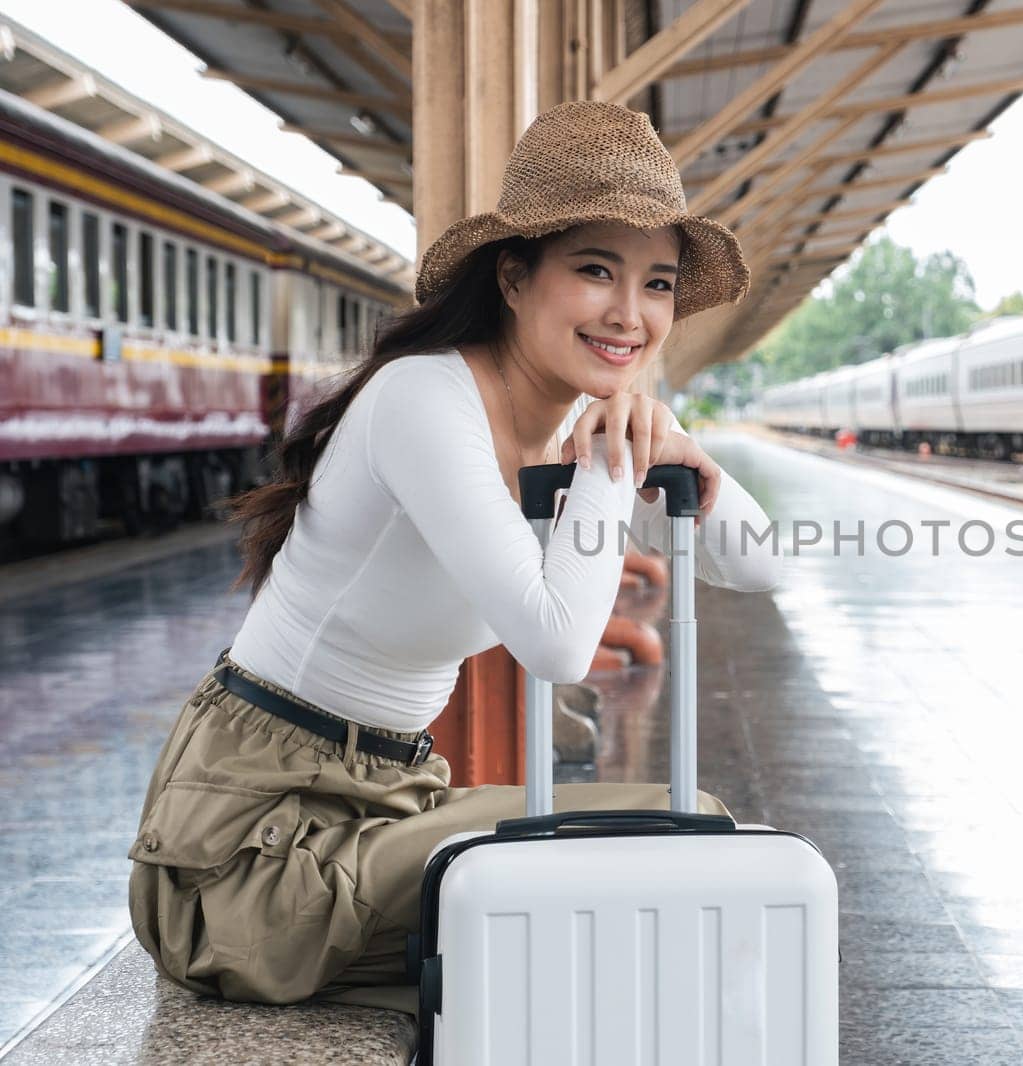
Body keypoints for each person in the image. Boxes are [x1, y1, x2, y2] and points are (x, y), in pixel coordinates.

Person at [126, 101, 781, 1017]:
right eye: (596, 271)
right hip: (249, 856)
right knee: (689, 843)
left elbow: (761, 568)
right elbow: (554, 646)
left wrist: (687, 461)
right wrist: (609, 463)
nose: (631, 315)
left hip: (387, 807)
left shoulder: (577, 420)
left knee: (656, 896)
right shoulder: (423, 399)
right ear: (513, 277)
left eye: (660, 284)